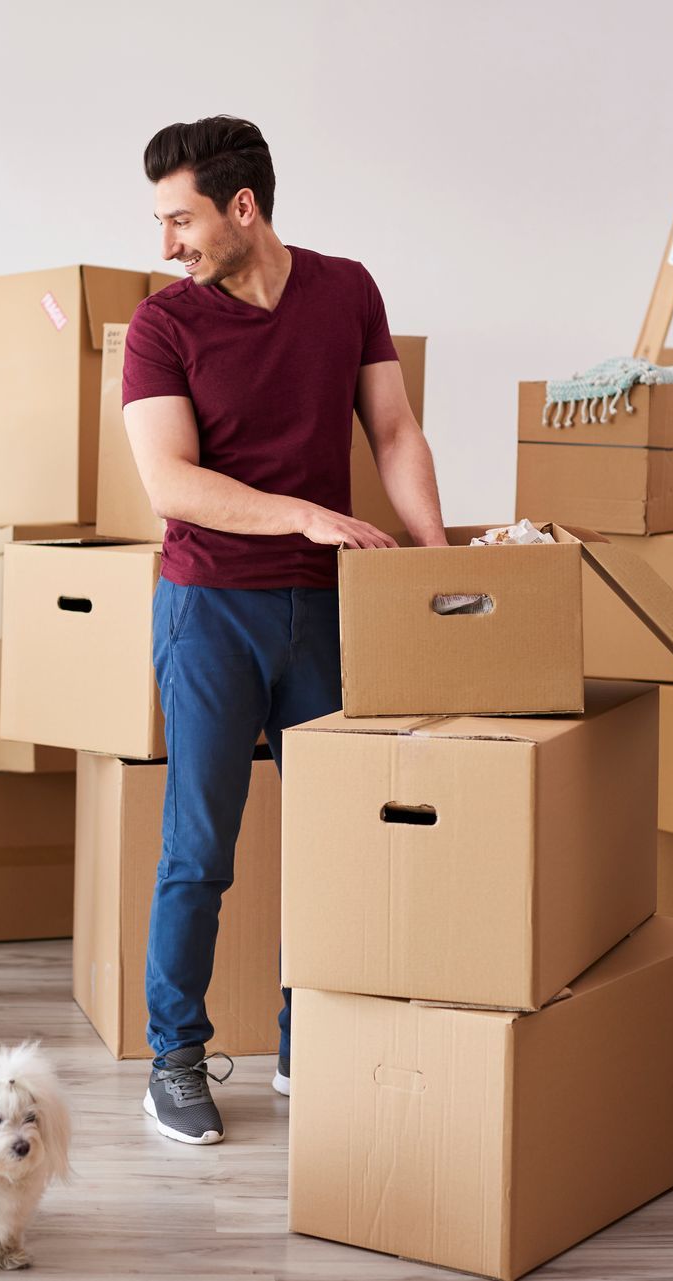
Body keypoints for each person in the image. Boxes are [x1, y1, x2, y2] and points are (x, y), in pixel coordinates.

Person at [119, 118, 446, 1144]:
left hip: (330, 613)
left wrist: (439, 560)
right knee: (199, 848)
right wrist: (302, 512)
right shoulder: (160, 324)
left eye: (182, 218)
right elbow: (169, 480)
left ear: (242, 208)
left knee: (337, 842)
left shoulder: (346, 291)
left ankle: (312, 1044)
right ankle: (174, 1057)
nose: (170, 241)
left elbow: (392, 431)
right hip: (210, 607)